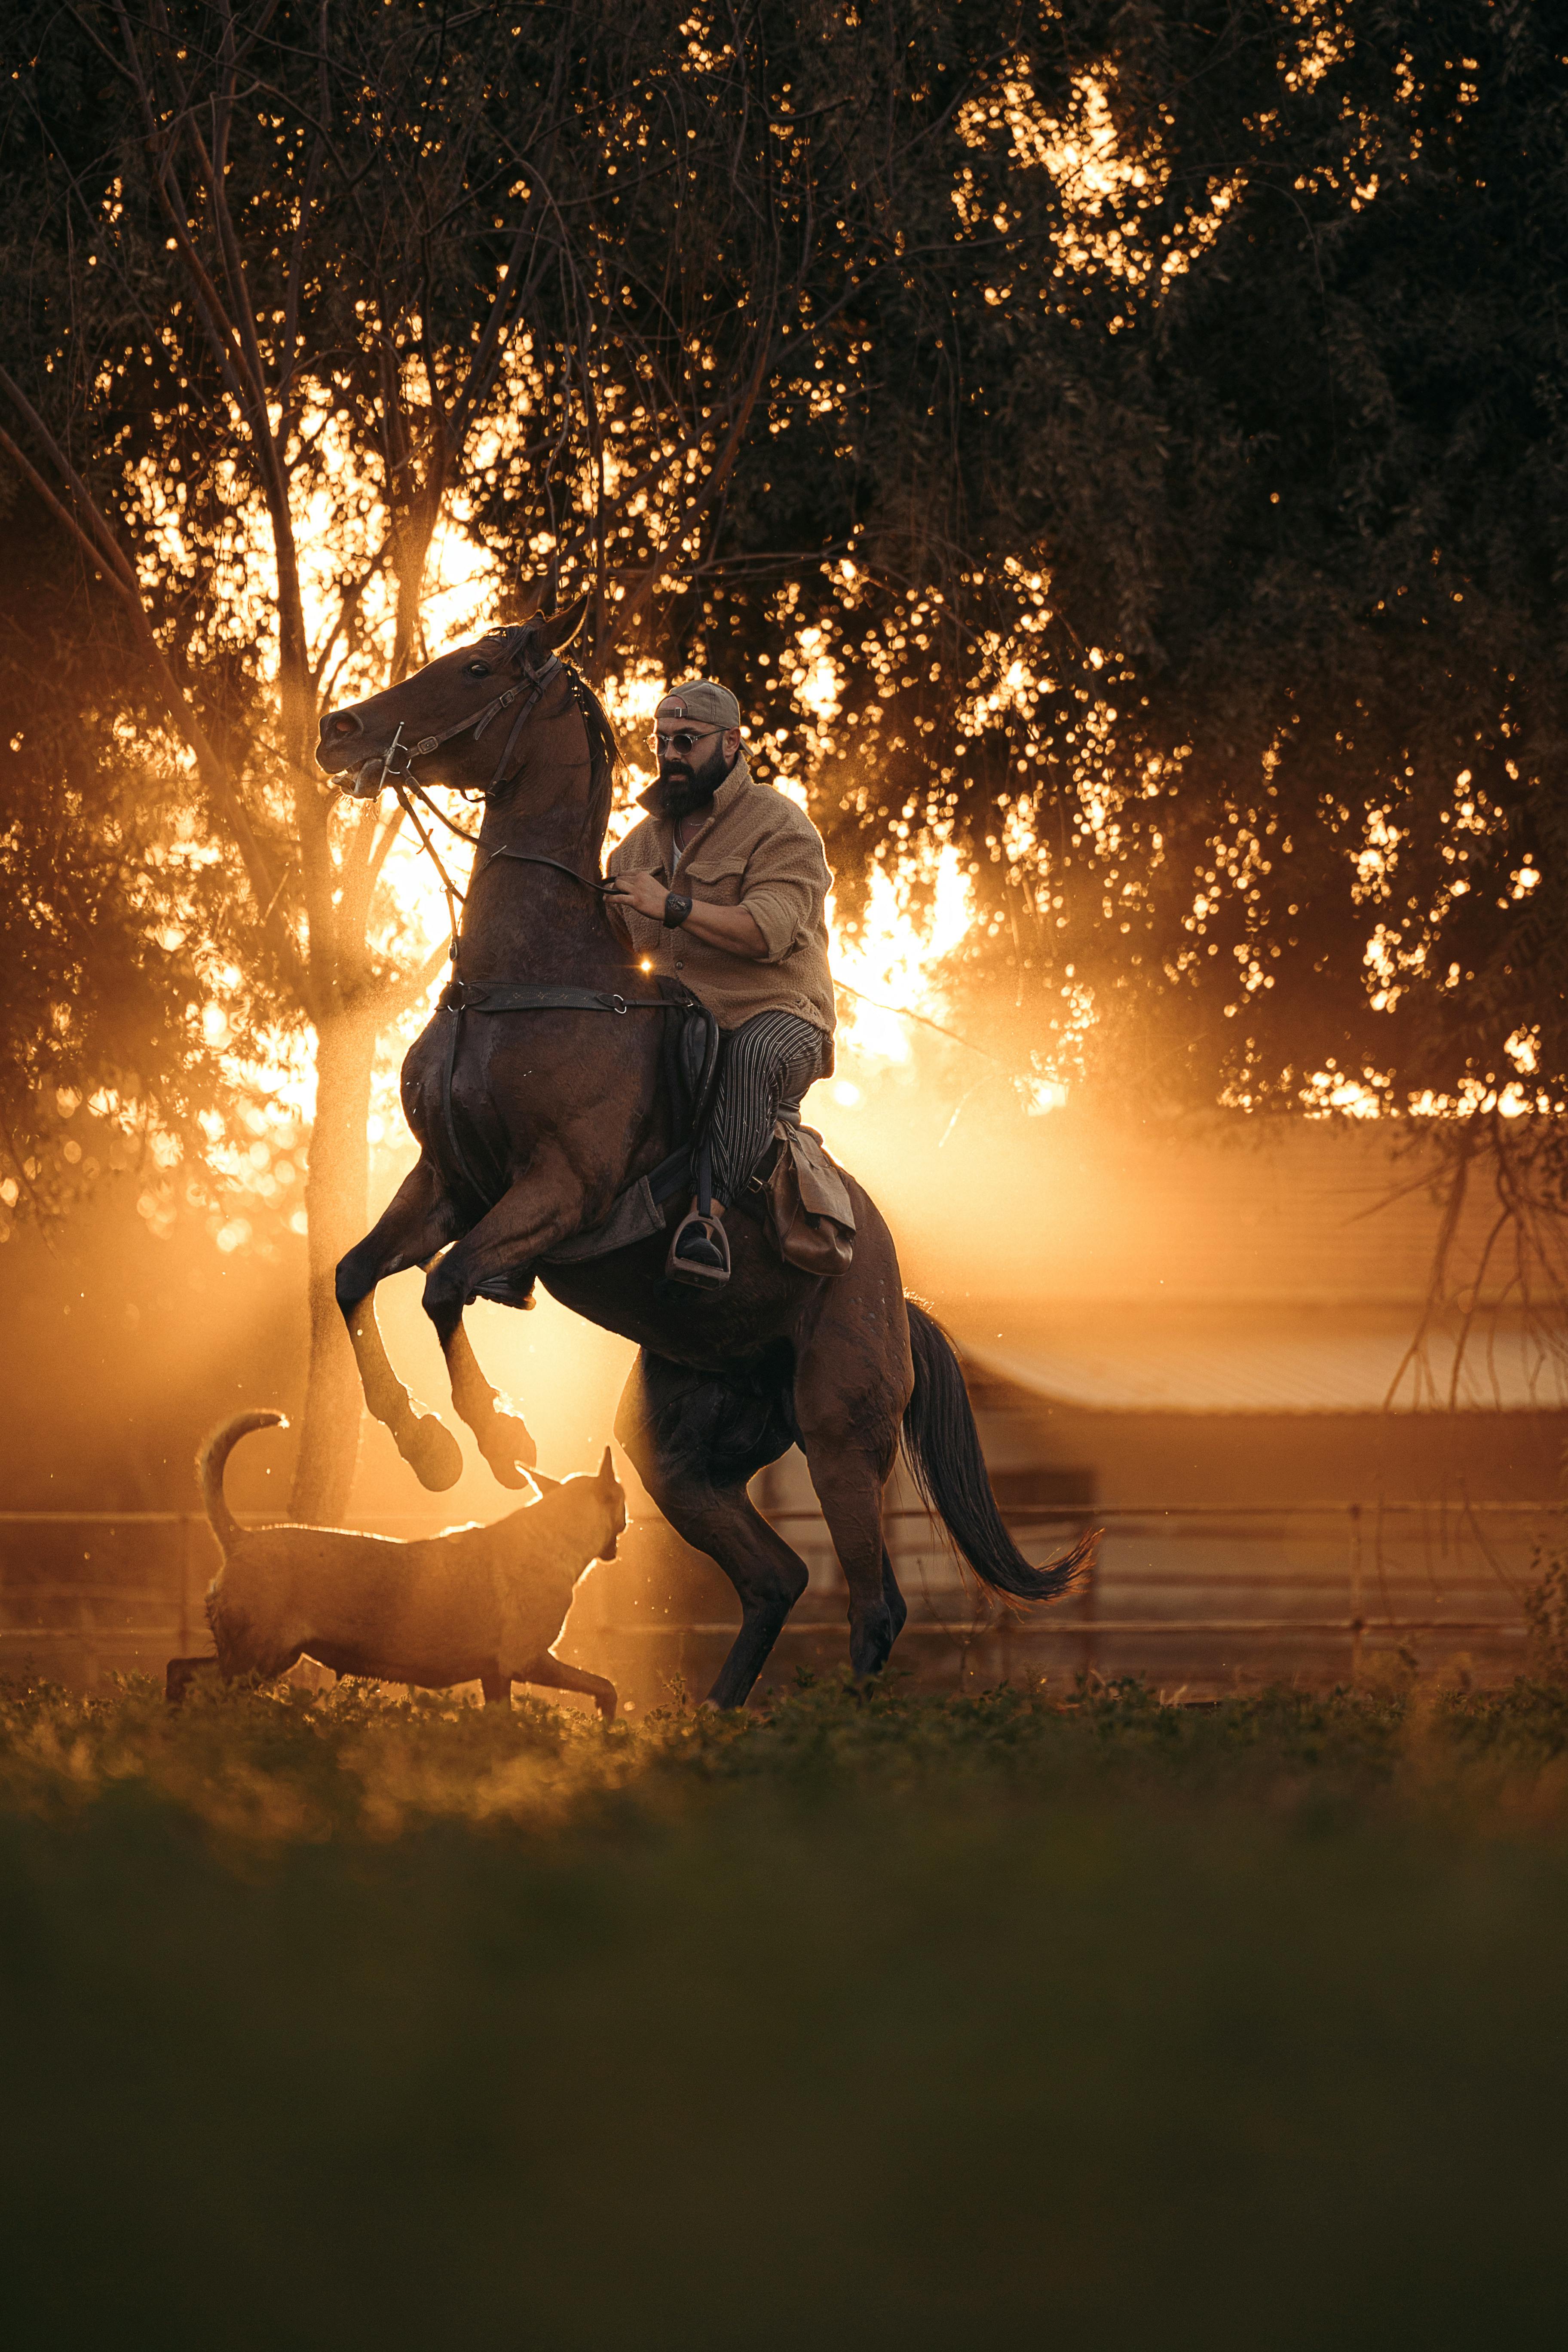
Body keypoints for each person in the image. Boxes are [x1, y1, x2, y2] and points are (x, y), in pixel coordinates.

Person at [605, 680, 835, 1286]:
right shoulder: (632, 851)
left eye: (688, 740)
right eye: (662, 742)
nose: (672, 754)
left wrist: (672, 906)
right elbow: (608, 949)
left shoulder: (779, 826)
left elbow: (768, 933)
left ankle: (707, 1220)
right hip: (681, 1022)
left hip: (782, 1017)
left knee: (751, 1051)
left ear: (731, 744)